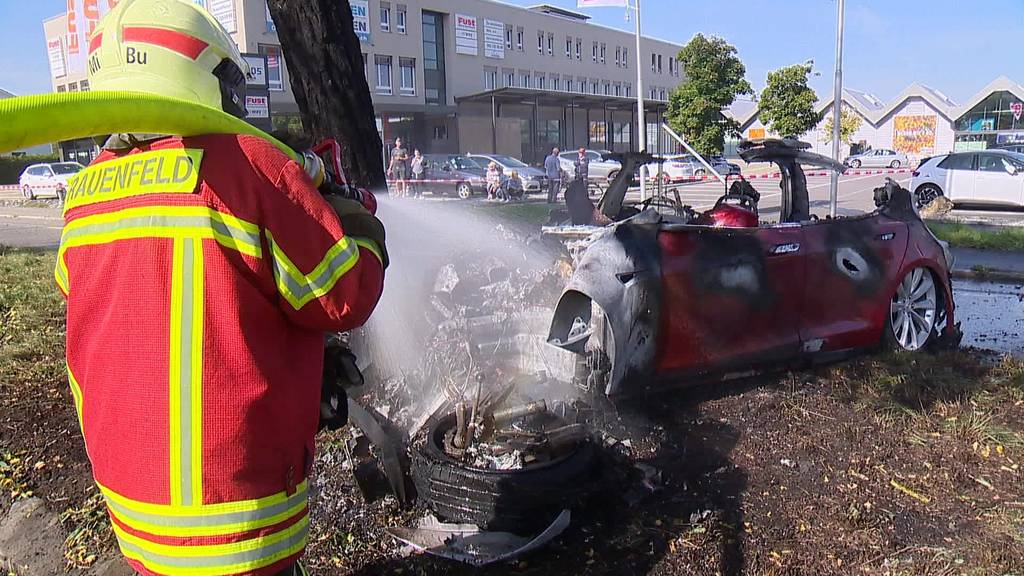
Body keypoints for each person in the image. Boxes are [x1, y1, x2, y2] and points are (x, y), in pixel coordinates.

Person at [58, 2, 387, 575]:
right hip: (238, 515)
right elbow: (342, 294)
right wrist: (359, 226)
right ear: (201, 74)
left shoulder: (83, 196)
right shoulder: (250, 167)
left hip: (135, 510)